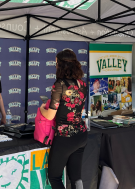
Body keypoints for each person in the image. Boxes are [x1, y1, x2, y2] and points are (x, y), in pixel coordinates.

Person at [39, 49, 88, 189]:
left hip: (65, 136)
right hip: (82, 134)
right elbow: (81, 111)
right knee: (76, 178)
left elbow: (50, 115)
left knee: (54, 177)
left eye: (56, 63)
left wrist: (42, 108)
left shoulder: (59, 84)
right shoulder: (82, 84)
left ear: (60, 65)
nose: (55, 66)